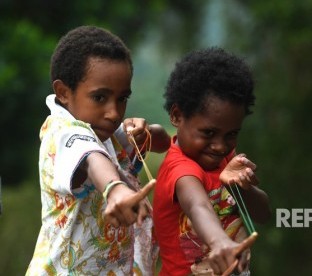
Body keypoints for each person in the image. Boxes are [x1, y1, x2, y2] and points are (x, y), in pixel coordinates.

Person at [26, 26, 171, 275]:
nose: (114, 113)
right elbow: (92, 159)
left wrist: (146, 130)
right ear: (63, 93)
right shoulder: (62, 132)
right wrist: (115, 189)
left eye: (122, 98)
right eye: (100, 98)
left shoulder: (105, 131)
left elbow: (163, 143)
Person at [153, 47, 271, 276]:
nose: (220, 145)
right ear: (177, 116)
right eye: (208, 133)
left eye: (231, 134)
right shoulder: (181, 169)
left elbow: (264, 213)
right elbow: (198, 205)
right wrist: (219, 242)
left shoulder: (225, 158)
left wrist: (240, 187)